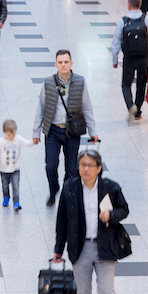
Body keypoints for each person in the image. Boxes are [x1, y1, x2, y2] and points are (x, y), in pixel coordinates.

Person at [53, 150, 130, 294]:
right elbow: (61, 219)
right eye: (82, 165)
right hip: (80, 247)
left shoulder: (110, 188)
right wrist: (58, 249)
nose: (85, 169)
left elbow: (124, 210)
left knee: (106, 292)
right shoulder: (70, 187)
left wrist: (110, 215)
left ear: (99, 168)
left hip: (105, 246)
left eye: (90, 165)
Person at [32, 50, 99, 206]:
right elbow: (40, 108)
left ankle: (66, 195)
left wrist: (93, 131)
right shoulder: (48, 82)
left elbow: (87, 108)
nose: (63, 65)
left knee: (71, 169)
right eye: (60, 62)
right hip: (53, 131)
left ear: (71, 64)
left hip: (72, 131)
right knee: (50, 166)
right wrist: (36, 132)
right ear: (56, 64)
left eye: (66, 62)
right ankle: (53, 189)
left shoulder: (80, 82)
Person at [112, 0, 148, 121]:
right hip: (144, 57)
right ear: (140, 4)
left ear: (128, 5)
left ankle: (130, 106)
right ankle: (137, 111)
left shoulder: (123, 21)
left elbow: (115, 43)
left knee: (126, 84)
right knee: (141, 84)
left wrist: (115, 60)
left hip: (129, 57)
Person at [0, 119, 36, 211]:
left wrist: (33, 142)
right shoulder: (0, 142)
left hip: (15, 169)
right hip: (4, 170)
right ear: (4, 132)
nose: (12, 136)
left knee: (15, 185)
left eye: (13, 134)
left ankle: (16, 202)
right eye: (9, 135)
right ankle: (6, 197)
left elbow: (26, 143)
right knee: (5, 185)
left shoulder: (18, 139)